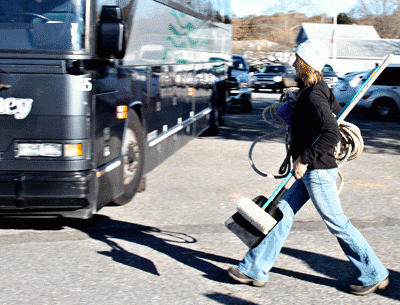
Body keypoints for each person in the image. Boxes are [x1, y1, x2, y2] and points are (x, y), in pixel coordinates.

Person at [227, 39, 389, 296]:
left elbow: (331, 133)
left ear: (306, 64)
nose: (293, 63)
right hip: (310, 169)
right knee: (280, 216)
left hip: (317, 171)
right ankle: (253, 269)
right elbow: (335, 110)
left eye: (296, 60)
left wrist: (303, 159)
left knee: (338, 224)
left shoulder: (314, 94)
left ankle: (374, 273)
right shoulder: (317, 88)